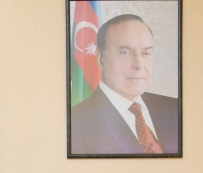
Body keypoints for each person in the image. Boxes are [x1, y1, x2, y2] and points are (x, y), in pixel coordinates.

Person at [70, 14, 179, 155]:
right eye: (125, 52)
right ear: (100, 58)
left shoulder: (176, 108)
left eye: (146, 53)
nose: (139, 65)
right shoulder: (75, 123)